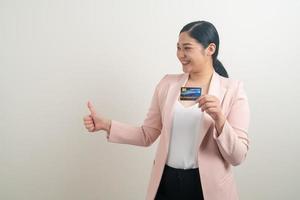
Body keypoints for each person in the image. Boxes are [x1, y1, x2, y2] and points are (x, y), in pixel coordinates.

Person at [83, 20, 250, 200]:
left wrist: (219, 119)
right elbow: (147, 135)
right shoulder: (167, 84)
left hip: (207, 188)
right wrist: (106, 125)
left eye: (187, 48)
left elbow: (238, 156)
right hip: (166, 182)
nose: (180, 55)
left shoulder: (233, 90)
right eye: (178, 48)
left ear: (210, 49)